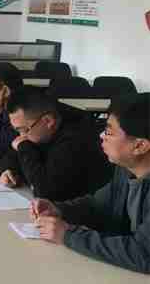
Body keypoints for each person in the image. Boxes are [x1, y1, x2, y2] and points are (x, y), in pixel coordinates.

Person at [33, 93, 149, 274]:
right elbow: (98, 205)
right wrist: (60, 210)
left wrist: (68, 235)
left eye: (109, 132)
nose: (102, 136)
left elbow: (143, 254)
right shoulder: (127, 169)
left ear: (140, 146)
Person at [0, 88, 113, 201]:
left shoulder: (75, 138)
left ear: (48, 121)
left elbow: (45, 191)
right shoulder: (41, 130)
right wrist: (8, 169)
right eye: (17, 130)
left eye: (24, 130)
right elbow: (13, 154)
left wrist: (24, 147)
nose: (21, 136)